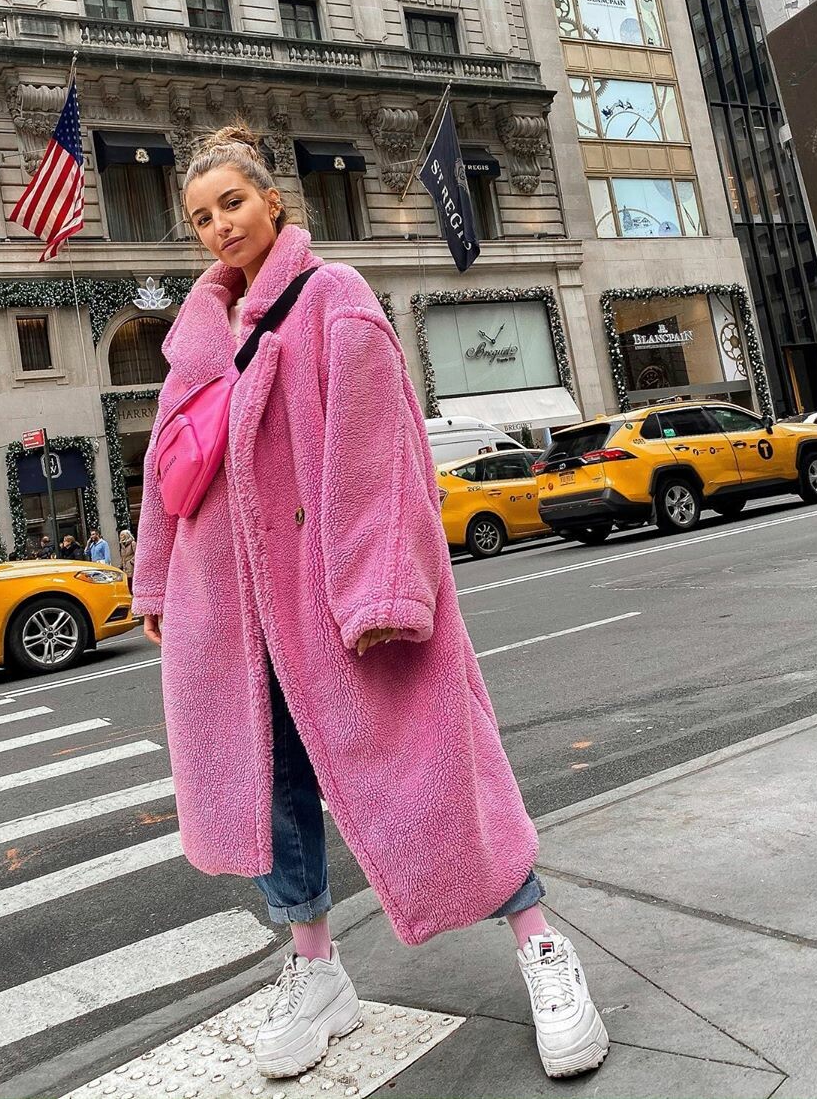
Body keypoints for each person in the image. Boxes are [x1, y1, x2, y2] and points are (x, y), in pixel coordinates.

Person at [131, 125, 608, 1083]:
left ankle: (541, 945)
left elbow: (377, 453)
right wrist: (154, 579)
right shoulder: (198, 338)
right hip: (228, 616)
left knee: (434, 766)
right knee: (268, 793)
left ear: (273, 201)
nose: (219, 225)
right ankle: (315, 970)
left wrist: (379, 586)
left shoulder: (334, 299)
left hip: (334, 600)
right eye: (201, 216)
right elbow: (163, 470)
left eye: (232, 202)